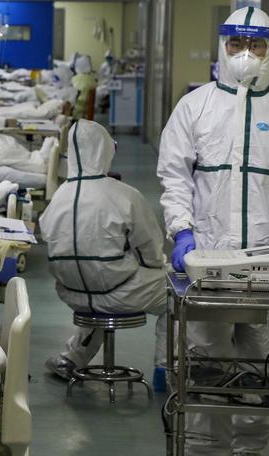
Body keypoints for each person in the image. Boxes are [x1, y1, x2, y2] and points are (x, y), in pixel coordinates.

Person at [157, 6, 269, 455]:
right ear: (223, 45)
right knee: (207, 373)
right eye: (237, 44)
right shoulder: (196, 106)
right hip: (207, 262)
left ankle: (249, 451)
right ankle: (204, 451)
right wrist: (182, 232)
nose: (245, 54)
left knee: (264, 373)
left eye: (255, 44)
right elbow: (174, 176)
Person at [40, 119, 167, 380]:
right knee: (178, 295)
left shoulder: (57, 198)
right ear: (105, 150)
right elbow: (151, 253)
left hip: (71, 293)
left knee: (96, 276)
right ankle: (167, 370)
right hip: (115, 292)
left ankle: (72, 358)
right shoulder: (125, 195)